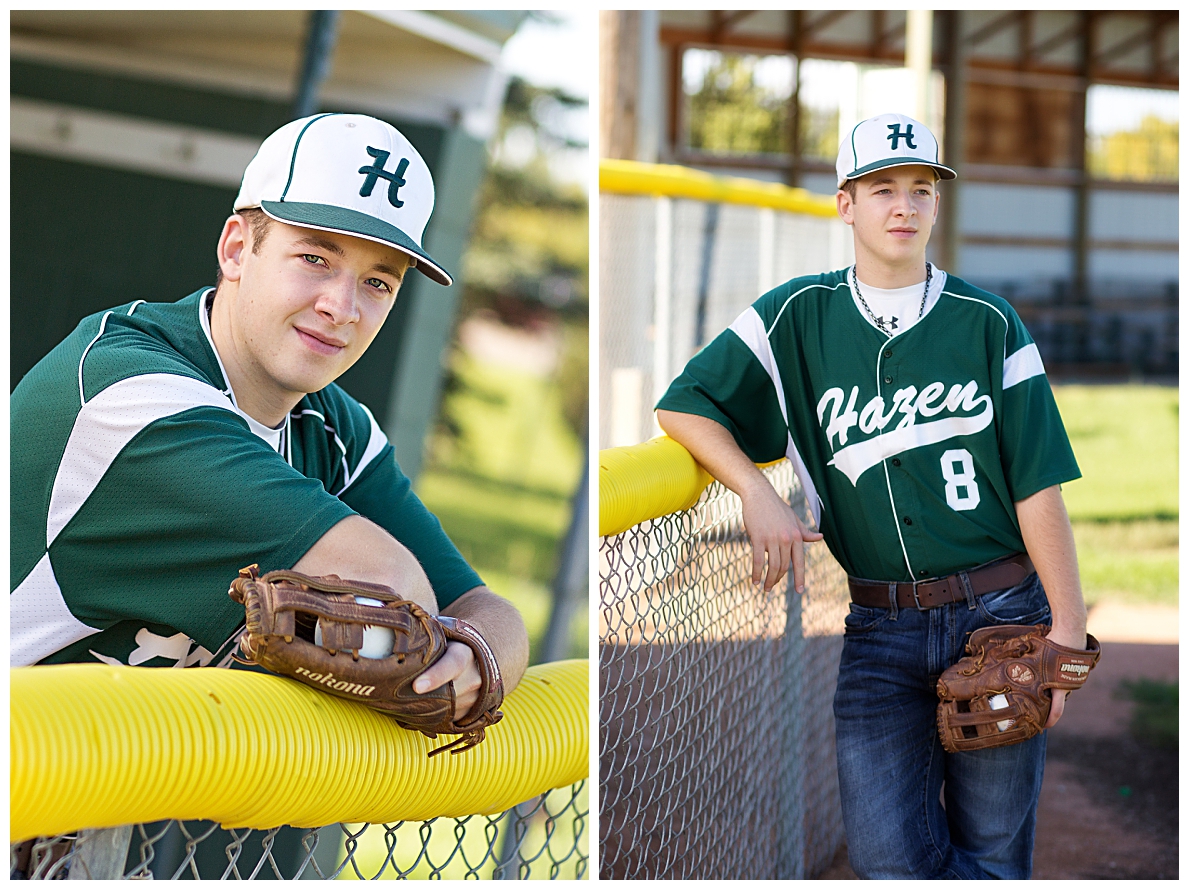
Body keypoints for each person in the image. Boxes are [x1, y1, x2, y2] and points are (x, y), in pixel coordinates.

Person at [654, 113, 1087, 879]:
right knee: (887, 863)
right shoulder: (796, 315)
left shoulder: (987, 322)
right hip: (878, 630)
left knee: (989, 856)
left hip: (999, 616)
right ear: (844, 204)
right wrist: (755, 489)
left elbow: (1036, 487)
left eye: (920, 188)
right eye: (881, 188)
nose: (904, 206)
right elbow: (682, 404)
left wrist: (1065, 640)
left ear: (936, 204)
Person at [11, 112, 529, 723]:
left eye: (378, 283)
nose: (342, 307)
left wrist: (478, 654)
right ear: (236, 249)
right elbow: (393, 586)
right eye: (314, 258)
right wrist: (440, 654)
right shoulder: (131, 393)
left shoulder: (336, 431)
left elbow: (486, 609)